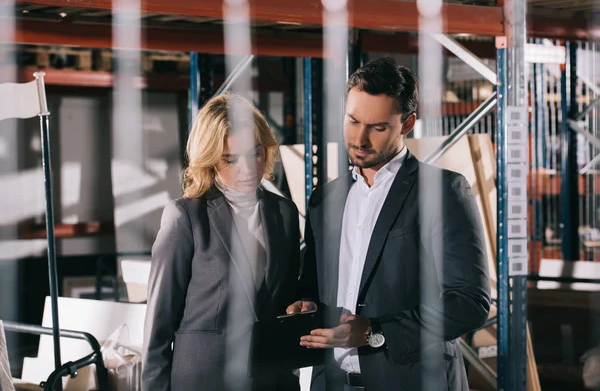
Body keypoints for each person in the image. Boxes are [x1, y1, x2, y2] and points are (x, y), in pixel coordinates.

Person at [287, 57, 491, 390]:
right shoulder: (324, 200)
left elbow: (470, 302)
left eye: (378, 127)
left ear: (407, 123)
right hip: (334, 383)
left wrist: (374, 332)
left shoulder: (442, 192)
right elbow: (313, 284)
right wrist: (307, 304)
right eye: (353, 121)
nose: (360, 138)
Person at [142, 93, 301, 391]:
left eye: (255, 153)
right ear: (211, 158)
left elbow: (286, 297)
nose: (247, 168)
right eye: (231, 159)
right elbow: (159, 322)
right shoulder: (185, 217)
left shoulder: (284, 213)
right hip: (204, 379)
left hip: (270, 379)